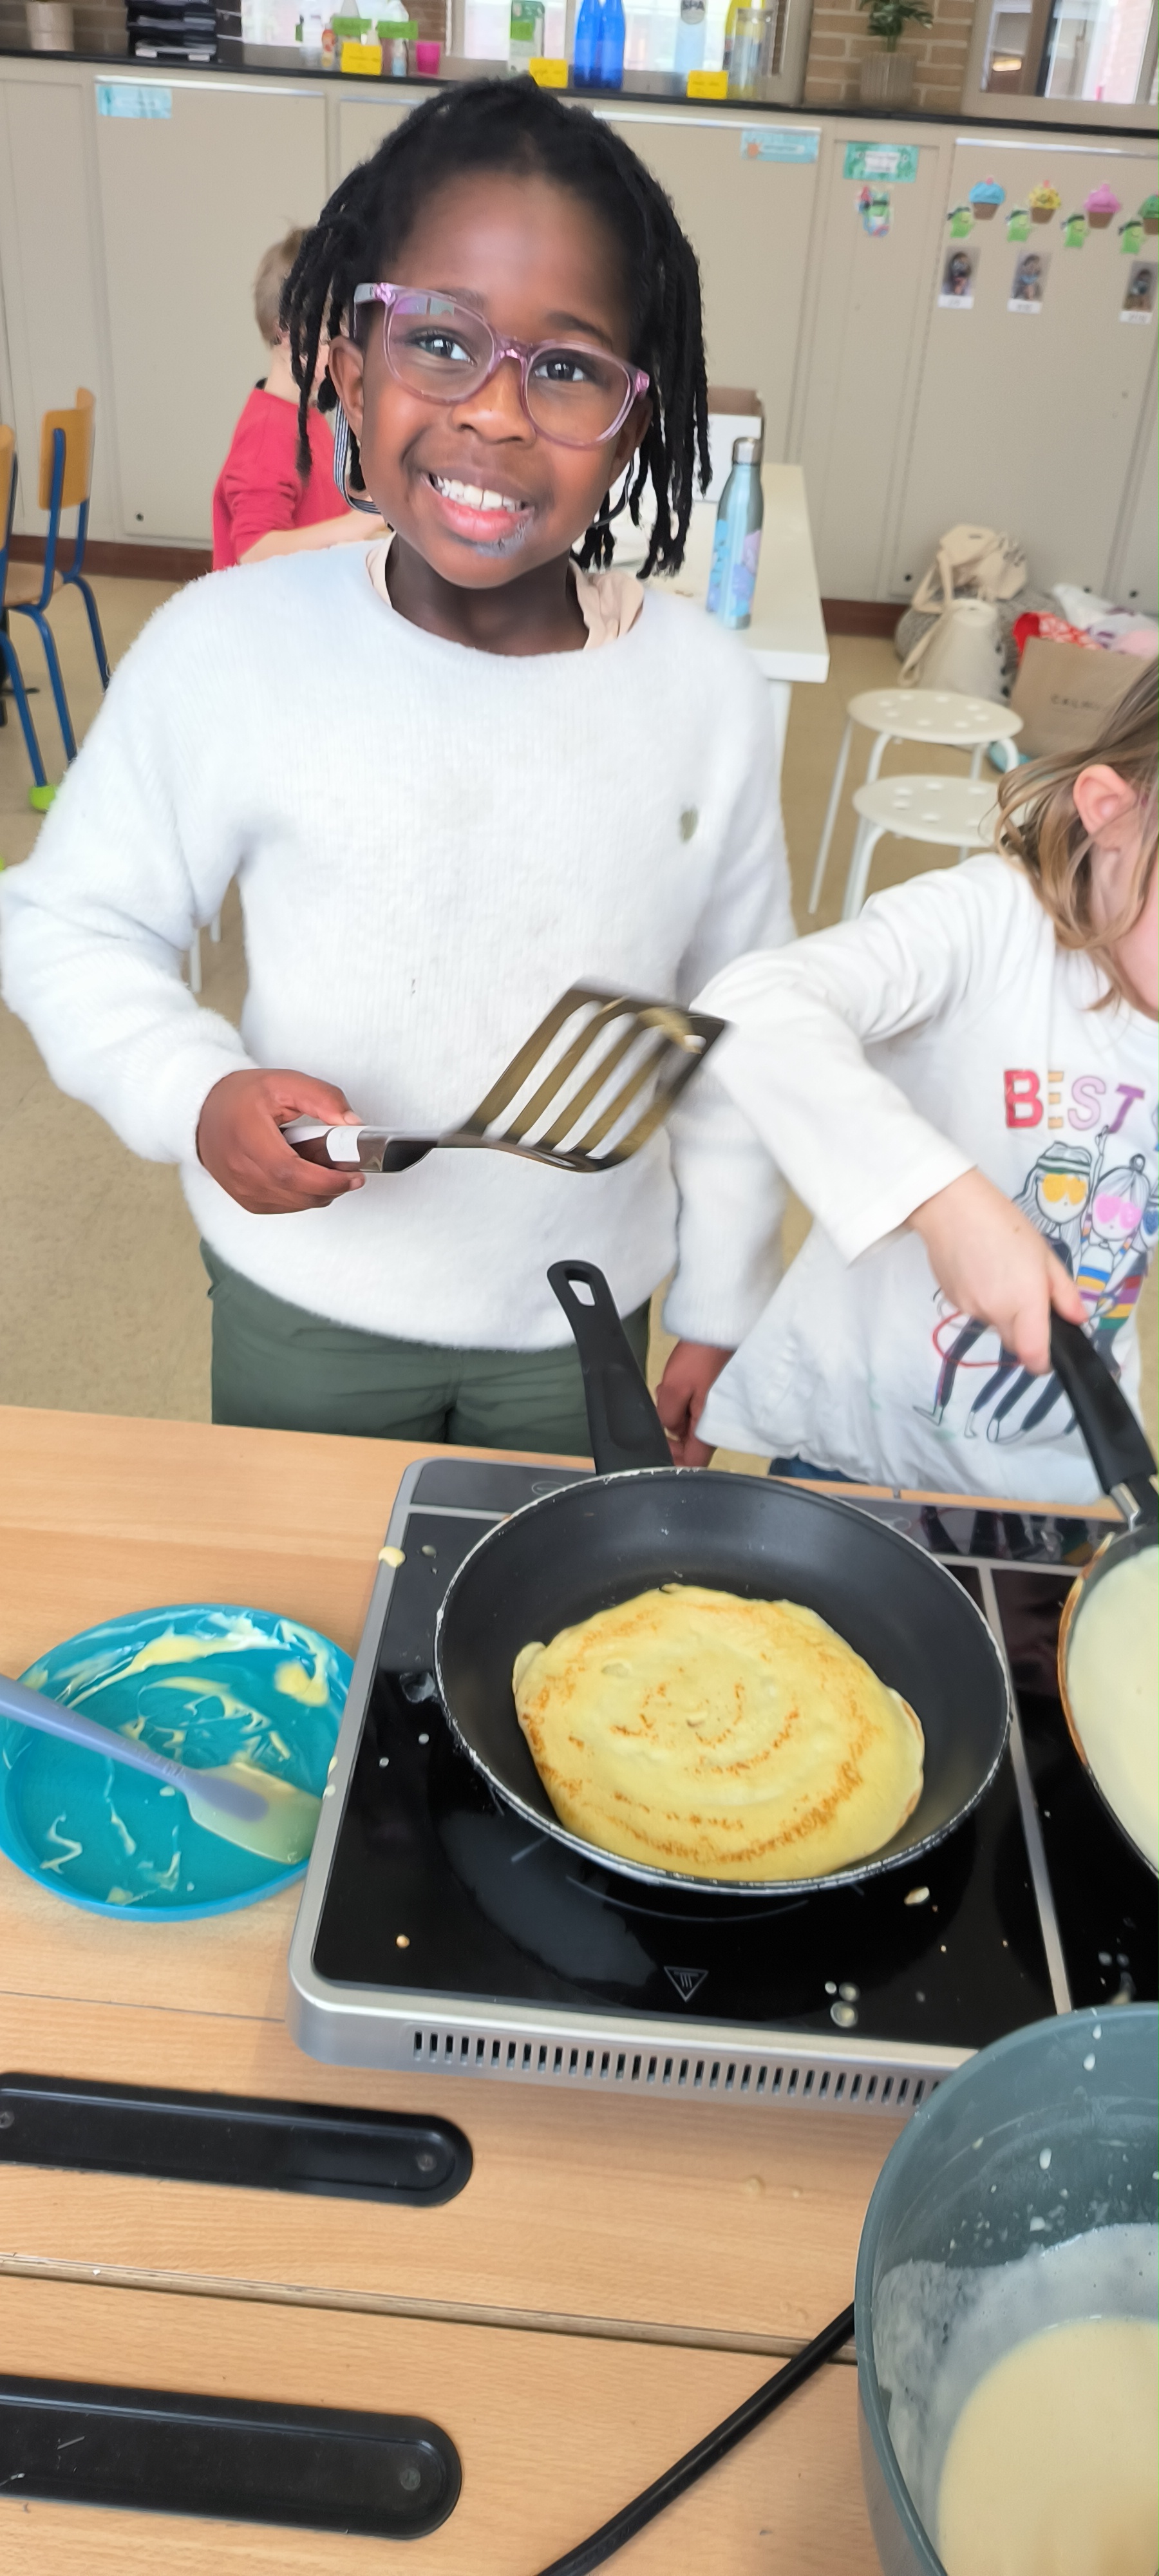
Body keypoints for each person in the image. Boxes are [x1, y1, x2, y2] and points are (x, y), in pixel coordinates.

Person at [1, 79, 791, 1459]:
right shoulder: (231, 644)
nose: (496, 415)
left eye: (567, 368)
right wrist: (192, 1088)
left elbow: (735, 1025)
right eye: (439, 340)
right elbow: (67, 921)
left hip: (581, 1313)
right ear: (349, 366)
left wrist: (725, 1302)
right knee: (308, 1590)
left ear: (635, 422)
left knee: (551, 1596)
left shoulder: (705, 691)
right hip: (310, 1300)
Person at [690, 659, 1159, 1502]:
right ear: (1111, 812)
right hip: (857, 1451)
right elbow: (753, 1002)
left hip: (1063, 1473)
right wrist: (943, 1200)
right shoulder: (991, 925)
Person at [212, 225, 386, 568]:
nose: (349, 356)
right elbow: (255, 550)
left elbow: (313, 500)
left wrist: (368, 496)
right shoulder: (267, 435)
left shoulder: (304, 415)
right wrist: (358, 524)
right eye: (332, 339)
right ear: (285, 333)